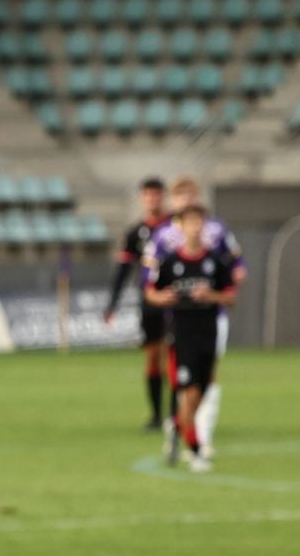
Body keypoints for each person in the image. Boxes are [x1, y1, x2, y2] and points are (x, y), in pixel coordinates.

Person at [145, 177, 244, 460]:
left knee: (209, 378)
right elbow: (150, 279)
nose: (186, 200)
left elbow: (237, 266)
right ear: (174, 201)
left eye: (190, 195)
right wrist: (159, 297)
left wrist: (220, 289)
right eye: (180, 195)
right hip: (180, 322)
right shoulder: (164, 236)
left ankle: (199, 432)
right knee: (184, 381)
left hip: (213, 320)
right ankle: (186, 433)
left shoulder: (218, 231)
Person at [105, 177, 170, 430]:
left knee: (173, 357)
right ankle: (156, 416)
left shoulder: (175, 227)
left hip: (176, 301)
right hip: (150, 302)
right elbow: (123, 271)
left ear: (162, 197)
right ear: (142, 199)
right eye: (148, 195)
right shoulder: (136, 233)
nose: (152, 199)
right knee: (153, 358)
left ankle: (177, 414)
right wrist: (112, 304)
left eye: (156, 195)